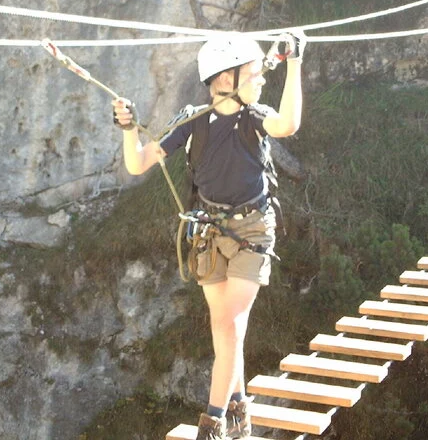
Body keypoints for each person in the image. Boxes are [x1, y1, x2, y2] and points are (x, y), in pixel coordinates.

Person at [111, 32, 305, 440]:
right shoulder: (194, 122)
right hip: (210, 233)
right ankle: (240, 412)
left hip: (253, 228)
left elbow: (287, 124)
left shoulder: (254, 117)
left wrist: (294, 63)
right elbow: (138, 163)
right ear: (224, 79)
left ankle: (213, 423)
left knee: (231, 324)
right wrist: (129, 129)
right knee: (225, 329)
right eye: (252, 74)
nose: (260, 80)